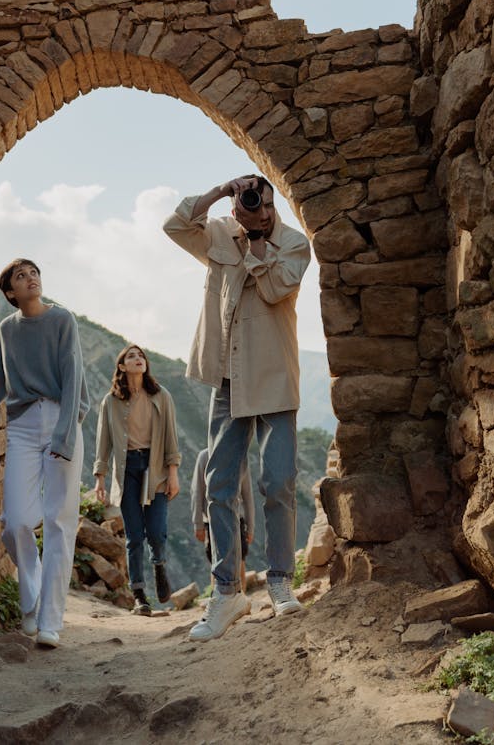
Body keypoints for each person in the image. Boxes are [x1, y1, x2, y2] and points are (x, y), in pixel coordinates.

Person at [164, 174, 311, 640]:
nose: (262, 212)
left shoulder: (293, 244)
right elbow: (175, 225)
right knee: (218, 483)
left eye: (267, 204)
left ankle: (281, 584)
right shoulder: (219, 234)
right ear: (237, 208)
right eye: (252, 204)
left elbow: (274, 290)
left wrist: (256, 241)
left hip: (273, 377)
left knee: (278, 481)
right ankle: (227, 594)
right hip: (228, 379)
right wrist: (220, 191)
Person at [0, 258, 89, 649]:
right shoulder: (7, 329)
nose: (32, 278)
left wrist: (64, 435)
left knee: (59, 521)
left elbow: (73, 376)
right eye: (21, 276)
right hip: (22, 425)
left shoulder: (63, 321)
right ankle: (32, 596)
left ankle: (50, 622)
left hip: (62, 418)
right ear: (10, 293)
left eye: (34, 272)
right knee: (16, 522)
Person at [93, 343, 181, 615]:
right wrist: (100, 478)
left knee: (155, 531)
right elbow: (103, 441)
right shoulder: (110, 401)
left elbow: (170, 436)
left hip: (154, 468)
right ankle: (140, 595)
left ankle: (159, 565)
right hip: (126, 469)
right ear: (122, 367)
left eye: (141, 356)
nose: (138, 359)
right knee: (133, 537)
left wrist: (173, 473)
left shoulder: (161, 396)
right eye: (131, 356)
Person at [192, 446, 254, 592]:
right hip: (212, 519)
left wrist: (250, 527)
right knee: (215, 560)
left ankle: (241, 596)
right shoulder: (204, 456)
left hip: (236, 518)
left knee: (240, 558)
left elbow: (247, 494)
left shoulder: (240, 455)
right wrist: (198, 524)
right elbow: (197, 491)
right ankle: (217, 597)